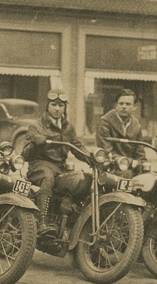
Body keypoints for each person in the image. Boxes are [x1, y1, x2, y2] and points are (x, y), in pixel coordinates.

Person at [24, 90, 91, 235]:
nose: (57, 109)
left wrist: (91, 157)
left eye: (61, 105)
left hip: (60, 168)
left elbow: (77, 146)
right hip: (40, 166)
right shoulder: (36, 126)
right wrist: (35, 143)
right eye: (54, 105)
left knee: (82, 181)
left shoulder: (68, 127)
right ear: (47, 106)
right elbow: (25, 155)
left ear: (65, 107)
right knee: (48, 178)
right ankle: (42, 221)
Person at [95, 88, 147, 177]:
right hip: (110, 168)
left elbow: (140, 154)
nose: (124, 106)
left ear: (135, 107)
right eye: (121, 103)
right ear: (116, 105)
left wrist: (140, 163)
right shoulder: (105, 123)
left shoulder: (136, 126)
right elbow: (106, 151)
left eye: (128, 104)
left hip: (131, 168)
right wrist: (130, 162)